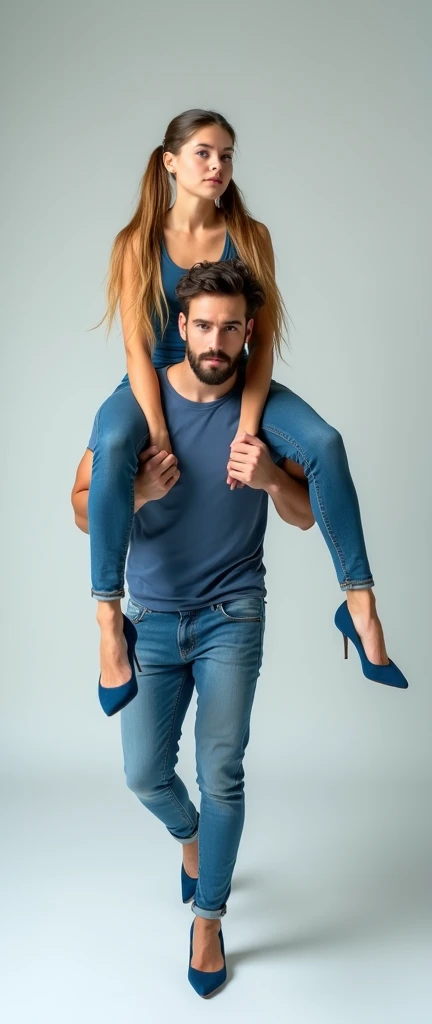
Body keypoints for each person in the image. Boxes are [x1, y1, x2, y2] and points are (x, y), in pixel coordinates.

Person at [86, 107, 408, 701]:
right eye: (204, 152)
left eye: (227, 155)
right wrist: (157, 429)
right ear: (170, 162)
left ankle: (359, 603)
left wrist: (248, 425)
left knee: (325, 444)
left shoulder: (251, 237)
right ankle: (109, 620)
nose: (217, 166)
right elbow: (136, 349)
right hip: (154, 383)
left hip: (237, 379)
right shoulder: (135, 242)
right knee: (109, 443)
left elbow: (260, 347)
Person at [71, 260, 315, 997]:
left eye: (230, 327)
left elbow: (307, 513)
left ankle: (209, 918)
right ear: (181, 328)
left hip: (230, 615)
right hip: (147, 617)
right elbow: (81, 504)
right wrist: (137, 490)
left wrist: (273, 476)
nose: (216, 340)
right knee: (144, 773)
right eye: (203, 325)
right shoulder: (134, 412)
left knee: (222, 772)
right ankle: (191, 840)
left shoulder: (263, 408)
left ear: (248, 333)